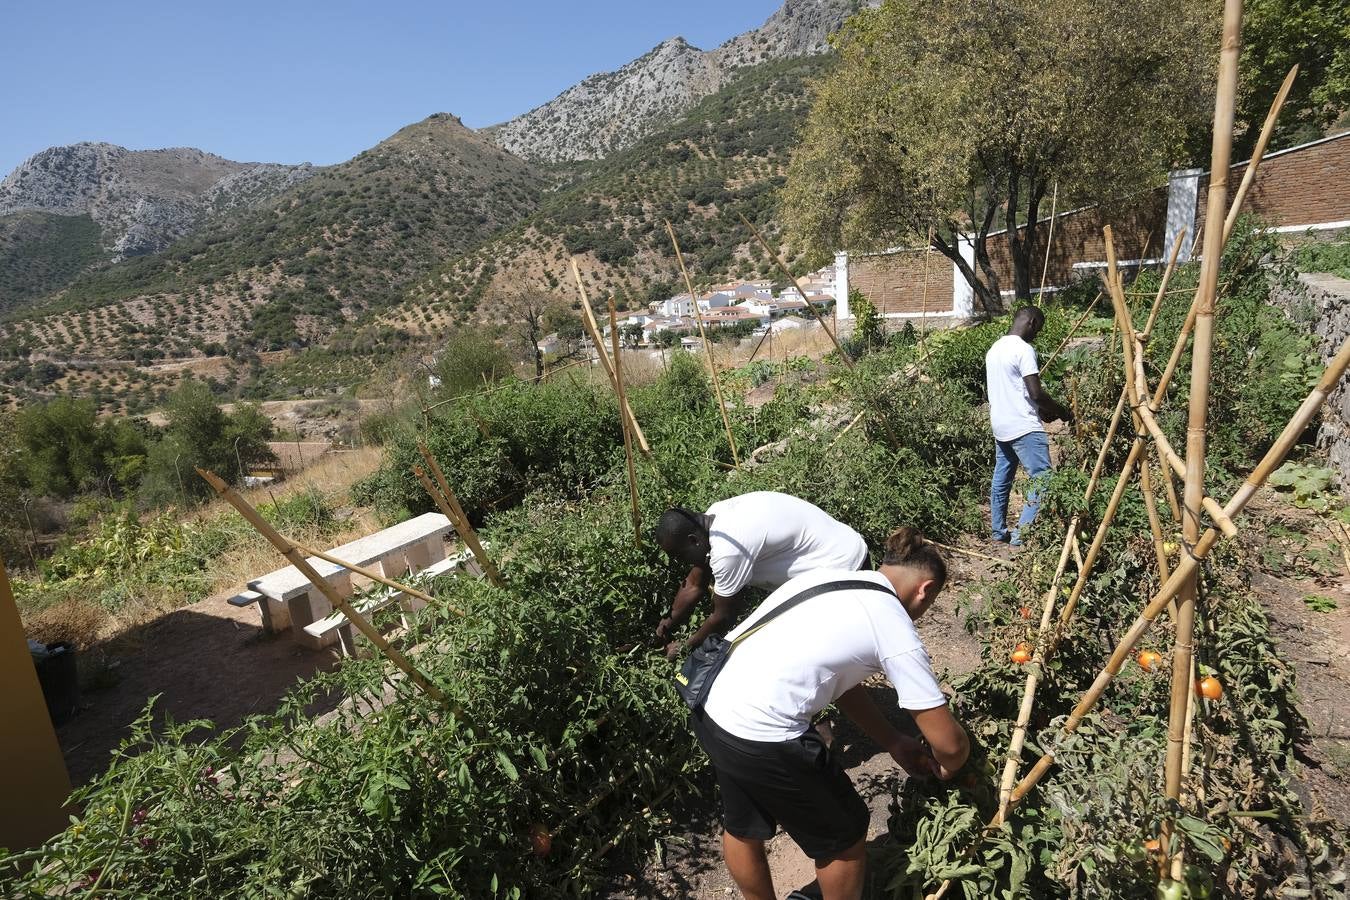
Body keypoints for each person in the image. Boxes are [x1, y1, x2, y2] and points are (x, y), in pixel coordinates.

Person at [692, 527, 970, 900]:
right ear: (926, 589)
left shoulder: (831, 577)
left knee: (744, 826)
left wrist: (891, 740)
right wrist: (955, 763)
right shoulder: (891, 623)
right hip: (764, 731)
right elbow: (947, 743)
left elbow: (839, 682)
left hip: (714, 706)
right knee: (846, 839)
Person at [654, 491, 869, 660]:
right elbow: (694, 583)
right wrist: (664, 626)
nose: (683, 562)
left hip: (843, 572)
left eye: (680, 556)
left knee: (811, 652)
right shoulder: (715, 518)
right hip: (844, 549)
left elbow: (723, 617)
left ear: (694, 540)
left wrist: (684, 648)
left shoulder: (728, 550)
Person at [984, 306, 1073, 545]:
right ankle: (1020, 536)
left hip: (1001, 426)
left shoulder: (995, 349)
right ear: (1032, 322)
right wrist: (1062, 411)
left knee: (1002, 477)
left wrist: (1042, 409)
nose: (1037, 335)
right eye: (1039, 330)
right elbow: (1035, 392)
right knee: (1043, 480)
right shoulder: (1024, 350)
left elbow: (1016, 391)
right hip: (1023, 427)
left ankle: (998, 531)